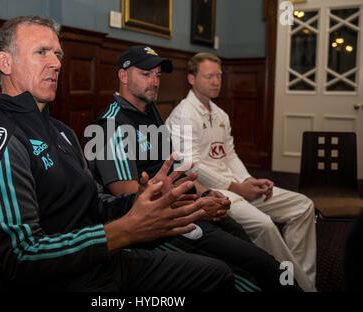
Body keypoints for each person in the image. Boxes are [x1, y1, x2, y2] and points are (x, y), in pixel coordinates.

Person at [0, 15, 235, 291]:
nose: (55, 63)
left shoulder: (61, 131)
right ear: (5, 62)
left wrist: (142, 202)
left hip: (100, 261)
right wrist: (126, 230)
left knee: (217, 274)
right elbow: (21, 256)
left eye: (58, 54)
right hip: (59, 280)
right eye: (42, 52)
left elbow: (93, 204)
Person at [88, 45, 302, 292]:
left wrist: (206, 193)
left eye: (157, 74)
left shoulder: (149, 112)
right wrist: (197, 205)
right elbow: (130, 200)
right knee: (251, 271)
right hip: (156, 227)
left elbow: (176, 167)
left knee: (244, 240)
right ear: (123, 76)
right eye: (146, 74)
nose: (155, 81)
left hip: (180, 207)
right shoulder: (109, 127)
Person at [165, 52, 317, 292]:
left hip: (237, 184)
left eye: (218, 76)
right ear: (191, 79)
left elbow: (230, 155)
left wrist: (249, 181)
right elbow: (190, 165)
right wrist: (236, 188)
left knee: (303, 206)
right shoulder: (184, 114)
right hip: (212, 191)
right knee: (264, 225)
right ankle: (292, 285)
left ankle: (302, 278)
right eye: (209, 76)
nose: (216, 81)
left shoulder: (220, 114)